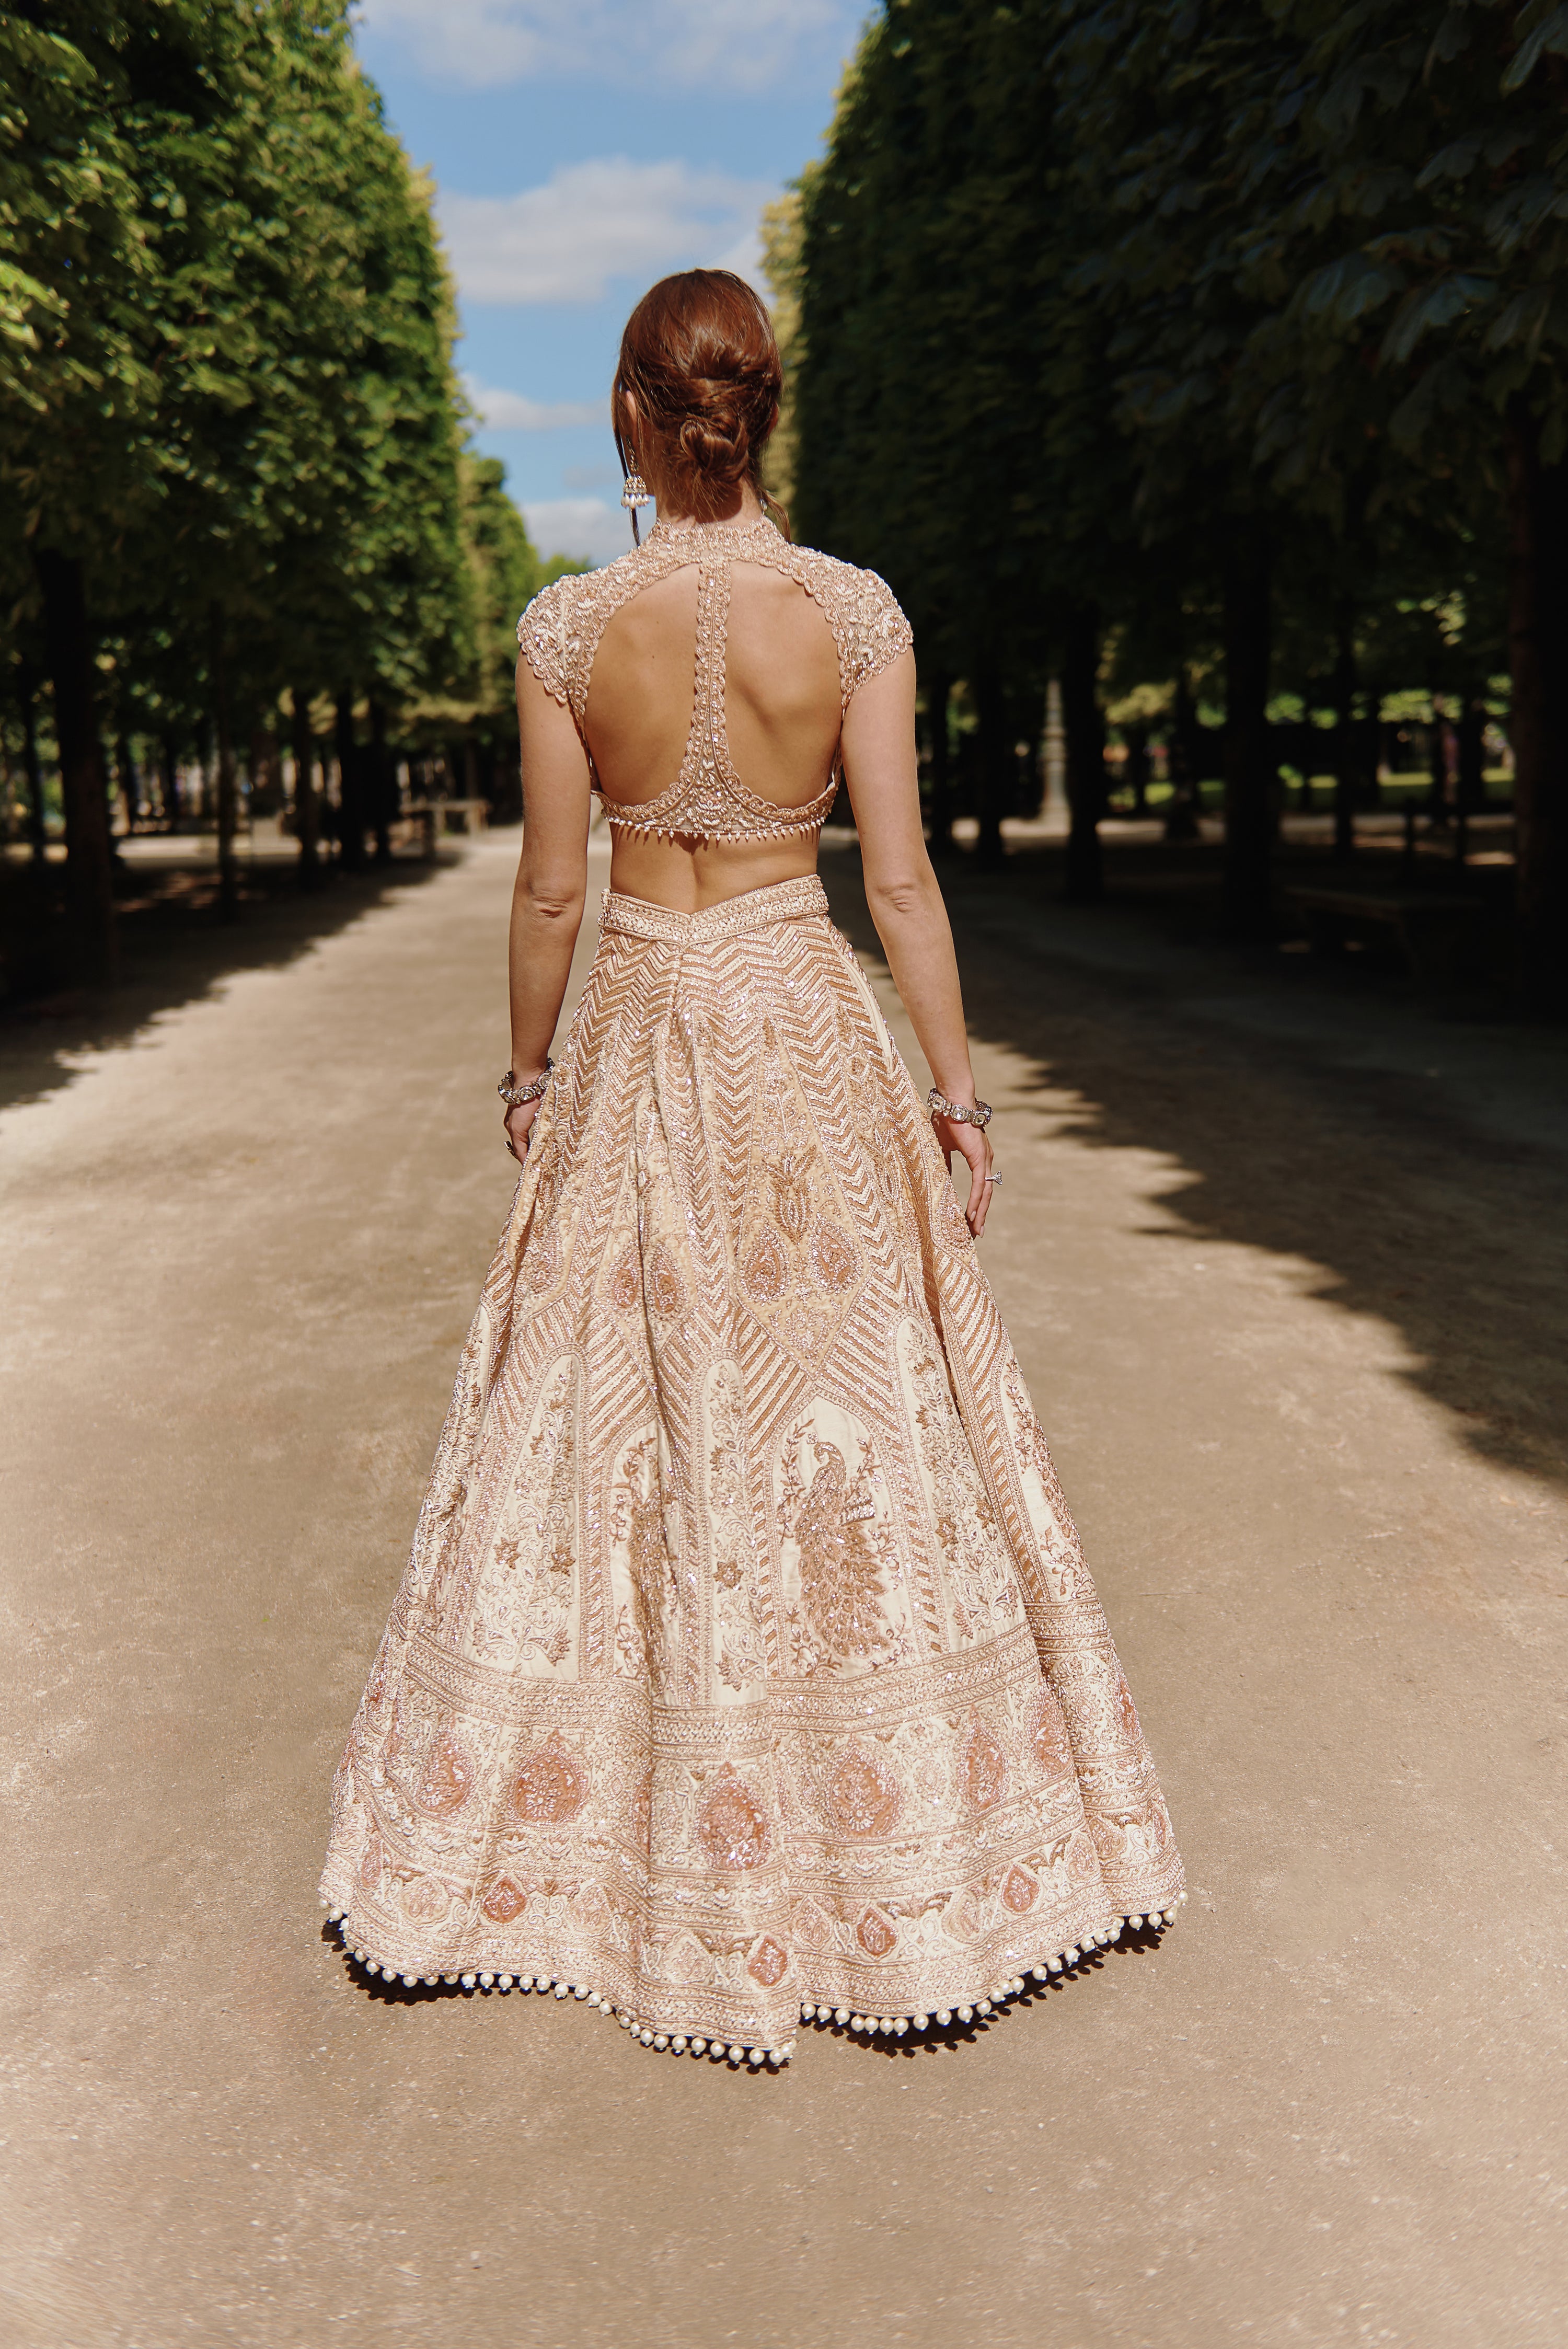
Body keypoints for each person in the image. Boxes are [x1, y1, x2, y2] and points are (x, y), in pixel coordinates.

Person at [320, 270, 1183, 2066]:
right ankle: (901, 1833)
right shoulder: (855, 612)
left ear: (639, 415)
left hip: (644, 1019)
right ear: (759, 413)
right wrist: (957, 1095)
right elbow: (903, 882)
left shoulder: (568, 630)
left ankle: (603, 1828)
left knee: (610, 1409)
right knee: (854, 1415)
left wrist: (529, 1068)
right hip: (802, 1019)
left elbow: (554, 890)